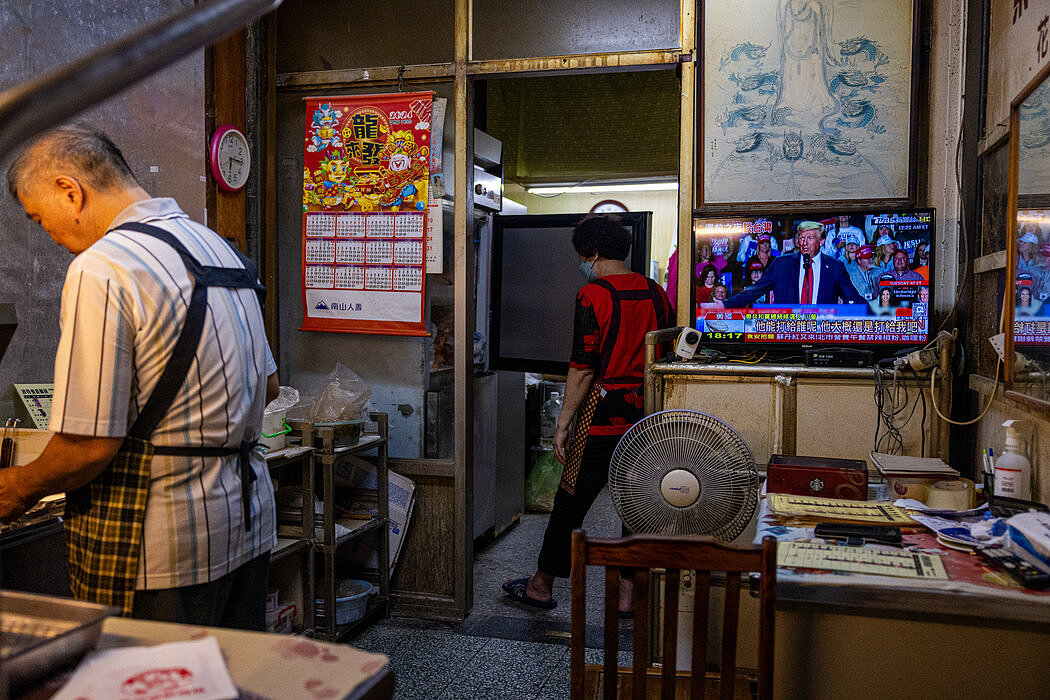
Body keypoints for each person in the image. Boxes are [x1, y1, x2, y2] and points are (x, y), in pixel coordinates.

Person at [0, 125, 278, 628]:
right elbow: (269, 387)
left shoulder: (104, 267)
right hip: (248, 524)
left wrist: (19, 486)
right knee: (229, 678)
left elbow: (88, 444)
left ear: (71, 192)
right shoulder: (218, 248)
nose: (52, 237)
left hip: (160, 547)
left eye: (41, 220)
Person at [502, 215, 671, 612]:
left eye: (582, 256)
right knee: (636, 501)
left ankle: (541, 585)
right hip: (646, 412)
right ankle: (629, 593)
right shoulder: (657, 292)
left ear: (591, 253)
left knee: (571, 498)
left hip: (603, 410)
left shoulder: (593, 295)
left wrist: (564, 423)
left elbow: (582, 366)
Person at [704, 221, 868, 309]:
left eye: (809, 238)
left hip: (821, 335)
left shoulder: (835, 266)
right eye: (801, 238)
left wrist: (879, 315)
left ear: (822, 241)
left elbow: (852, 298)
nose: (803, 243)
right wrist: (726, 304)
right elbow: (755, 290)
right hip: (787, 336)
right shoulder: (782, 263)